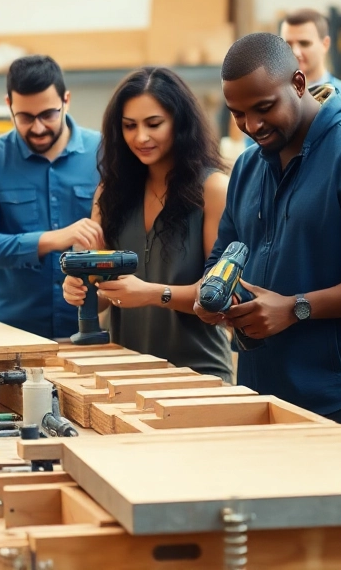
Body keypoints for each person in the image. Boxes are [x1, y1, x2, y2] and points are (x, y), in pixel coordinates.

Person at [193, 32, 341, 440]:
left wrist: (295, 308)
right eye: (238, 114)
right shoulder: (246, 169)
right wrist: (215, 293)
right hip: (261, 398)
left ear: (298, 84)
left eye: (263, 108)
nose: (252, 125)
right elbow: (223, 255)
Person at [61, 67, 232, 381]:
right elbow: (102, 297)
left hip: (199, 374)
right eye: (129, 126)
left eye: (154, 124)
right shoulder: (109, 194)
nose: (140, 137)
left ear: (179, 123)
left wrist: (154, 294)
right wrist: (82, 288)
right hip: (125, 373)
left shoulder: (214, 190)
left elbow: (218, 301)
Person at [0, 55, 102, 338]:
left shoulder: (104, 152)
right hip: (13, 334)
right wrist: (50, 239)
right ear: (9, 106)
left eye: (48, 114)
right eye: (25, 117)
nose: (37, 128)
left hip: (91, 331)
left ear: (67, 101)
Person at [282, 8, 341, 127]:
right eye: (288, 44)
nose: (296, 52)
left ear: (325, 44)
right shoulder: (273, 99)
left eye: (304, 43)